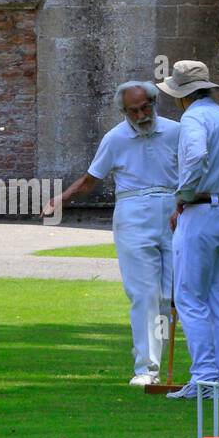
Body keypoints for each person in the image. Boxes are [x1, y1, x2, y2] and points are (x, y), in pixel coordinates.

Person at [44, 81, 180, 386]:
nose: (142, 114)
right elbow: (91, 179)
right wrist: (61, 199)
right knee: (144, 293)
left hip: (173, 210)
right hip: (133, 213)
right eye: (134, 111)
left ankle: (181, 364)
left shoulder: (176, 131)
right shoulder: (115, 138)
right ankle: (147, 369)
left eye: (146, 107)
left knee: (171, 294)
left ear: (154, 102)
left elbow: (194, 170)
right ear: (124, 111)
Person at [157, 60, 219, 401]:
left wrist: (182, 198)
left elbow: (196, 156)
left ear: (183, 95)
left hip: (202, 214)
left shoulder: (193, 118)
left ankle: (205, 378)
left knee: (189, 297)